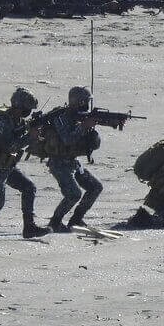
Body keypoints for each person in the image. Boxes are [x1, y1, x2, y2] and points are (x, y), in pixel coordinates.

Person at [0, 88, 50, 240]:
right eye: (26, 108)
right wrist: (29, 137)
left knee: (29, 188)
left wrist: (35, 137)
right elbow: (7, 146)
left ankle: (29, 227)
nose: (28, 111)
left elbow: (20, 143)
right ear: (18, 106)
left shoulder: (18, 121)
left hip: (7, 166)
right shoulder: (2, 121)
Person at [43, 86, 104, 231]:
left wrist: (92, 129)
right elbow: (67, 139)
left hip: (72, 162)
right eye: (85, 102)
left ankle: (76, 219)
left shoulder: (80, 118)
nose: (87, 106)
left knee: (95, 187)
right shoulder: (60, 117)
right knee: (74, 194)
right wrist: (84, 126)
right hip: (58, 163)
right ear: (77, 102)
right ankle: (55, 222)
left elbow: (94, 145)